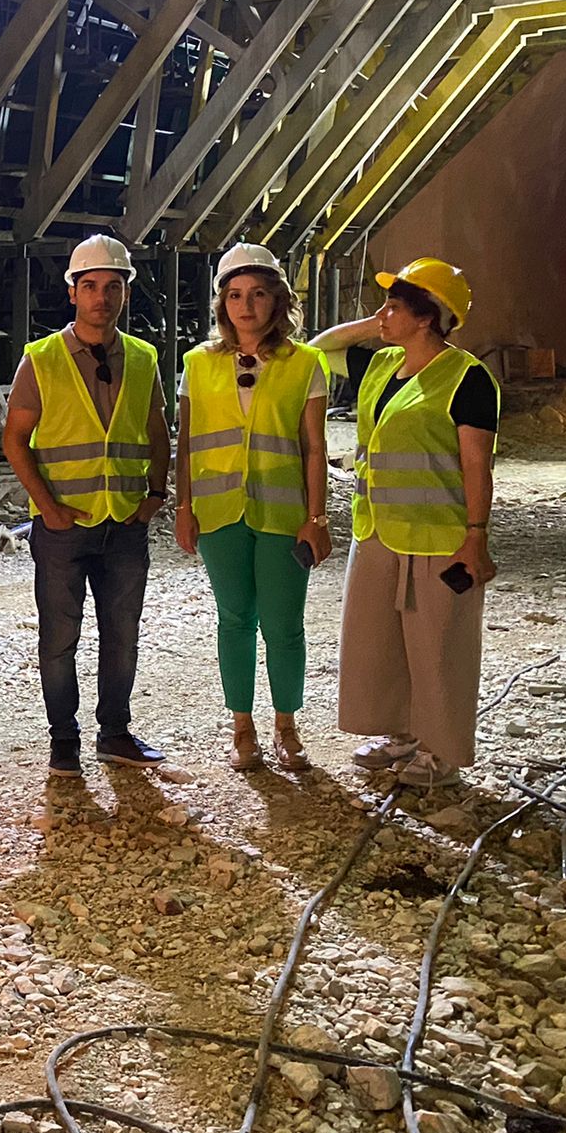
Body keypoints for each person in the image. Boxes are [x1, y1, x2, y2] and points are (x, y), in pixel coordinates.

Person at [310, 259, 498, 789]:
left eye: (396, 306)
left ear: (428, 318)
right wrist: (379, 323)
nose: (382, 313)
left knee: (440, 646)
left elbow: (476, 464)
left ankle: (441, 751)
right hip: (377, 529)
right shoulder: (380, 365)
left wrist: (476, 537)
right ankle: (401, 734)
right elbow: (321, 346)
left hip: (440, 533)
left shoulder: (467, 378)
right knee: (379, 641)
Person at [2, 234, 171, 777]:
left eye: (113, 286)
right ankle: (64, 741)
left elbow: (157, 432)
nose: (102, 296)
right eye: (91, 286)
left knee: (122, 636)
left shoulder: (142, 358)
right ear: (72, 292)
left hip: (123, 522)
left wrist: (155, 495)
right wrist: (46, 507)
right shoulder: (42, 359)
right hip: (63, 528)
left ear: (125, 293)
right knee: (59, 640)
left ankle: (115, 733)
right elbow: (15, 440)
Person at [173, 244, 332, 773]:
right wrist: (184, 507)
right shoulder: (198, 364)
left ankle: (286, 725)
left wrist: (317, 518)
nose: (246, 305)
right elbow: (188, 444)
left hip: (283, 517)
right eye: (235, 295)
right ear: (222, 302)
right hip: (220, 515)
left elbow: (314, 447)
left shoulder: (304, 363)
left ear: (277, 300)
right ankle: (243, 728)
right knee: (234, 619)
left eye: (258, 294)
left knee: (284, 624)